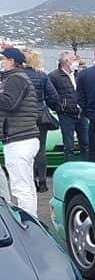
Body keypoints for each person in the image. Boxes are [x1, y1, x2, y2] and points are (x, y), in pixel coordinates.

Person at [0, 47, 40, 216]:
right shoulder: (17, 77)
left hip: (19, 138)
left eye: (3, 59)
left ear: (11, 61)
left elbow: (9, 103)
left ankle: (27, 222)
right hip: (25, 137)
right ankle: (32, 218)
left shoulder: (16, 79)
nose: (1, 62)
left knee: (20, 187)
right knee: (27, 185)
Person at [23, 50, 60, 193]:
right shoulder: (42, 76)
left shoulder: (17, 76)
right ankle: (43, 182)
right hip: (40, 114)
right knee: (41, 148)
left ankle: (31, 180)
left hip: (24, 116)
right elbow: (53, 97)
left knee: (27, 149)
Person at [49, 51, 87, 162]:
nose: (77, 62)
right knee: (68, 146)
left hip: (81, 113)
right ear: (66, 61)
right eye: (74, 59)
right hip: (66, 115)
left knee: (86, 143)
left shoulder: (78, 74)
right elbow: (50, 96)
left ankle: (87, 168)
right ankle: (69, 169)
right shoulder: (54, 76)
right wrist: (60, 108)